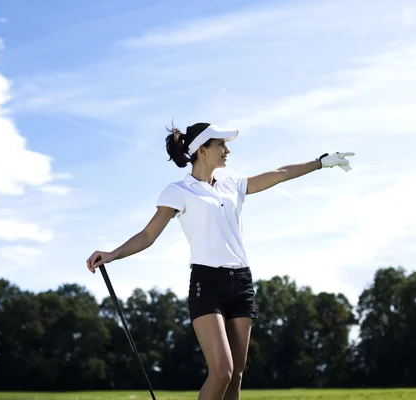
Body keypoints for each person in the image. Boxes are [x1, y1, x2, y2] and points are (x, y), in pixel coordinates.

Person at [86, 121, 354, 400]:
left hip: (242, 282)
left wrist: (320, 163)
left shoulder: (232, 184)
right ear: (202, 149)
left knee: (236, 376)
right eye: (221, 145)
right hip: (207, 283)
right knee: (222, 372)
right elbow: (148, 235)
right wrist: (112, 254)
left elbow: (279, 174)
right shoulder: (179, 191)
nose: (227, 151)